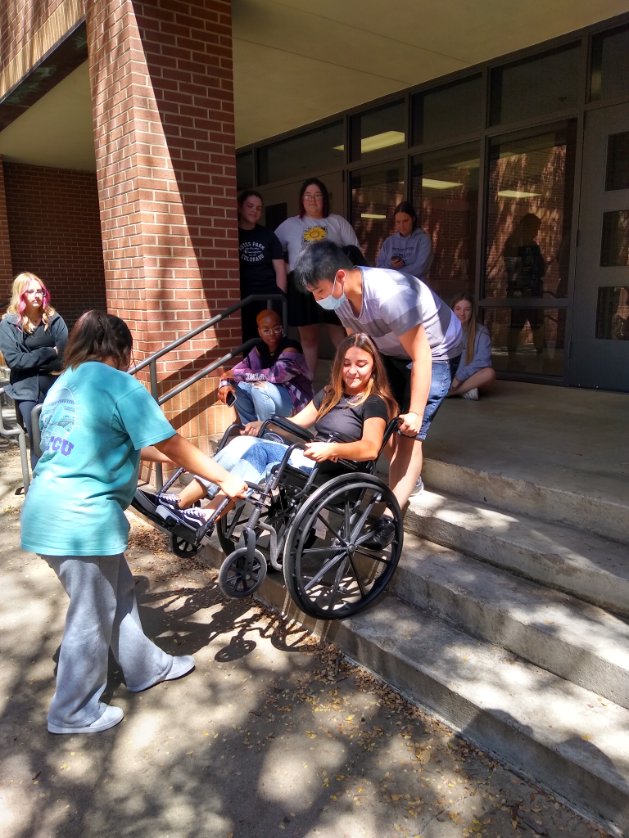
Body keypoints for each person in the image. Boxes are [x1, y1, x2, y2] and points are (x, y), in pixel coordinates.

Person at [20, 311, 248, 735]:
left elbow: (132, 442)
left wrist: (204, 467)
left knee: (119, 591)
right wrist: (224, 478)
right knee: (91, 613)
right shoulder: (121, 384)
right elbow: (169, 441)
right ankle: (72, 710)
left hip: (48, 511)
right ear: (122, 351)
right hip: (80, 520)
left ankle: (146, 667)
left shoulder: (64, 385)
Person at [293, 240, 463, 545]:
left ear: (340, 277)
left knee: (410, 432)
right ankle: (409, 478)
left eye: (319, 291)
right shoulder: (342, 298)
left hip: (436, 351)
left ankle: (391, 515)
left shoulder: (390, 295)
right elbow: (357, 349)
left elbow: (421, 354)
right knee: (383, 417)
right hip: (389, 349)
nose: (317, 300)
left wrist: (416, 413)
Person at [161, 333, 397, 516]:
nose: (352, 371)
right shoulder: (330, 394)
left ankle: (209, 512)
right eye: (346, 363)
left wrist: (333, 449)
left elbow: (370, 448)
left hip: (336, 471)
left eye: (361, 364)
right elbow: (295, 422)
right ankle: (179, 503)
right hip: (310, 459)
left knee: (259, 450)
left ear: (373, 366)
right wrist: (264, 423)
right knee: (244, 442)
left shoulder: (375, 402)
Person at [274, 178, 360, 377]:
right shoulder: (290, 224)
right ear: (301, 200)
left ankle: (346, 378)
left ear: (325, 199)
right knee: (309, 337)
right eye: (308, 195)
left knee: (340, 333)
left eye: (317, 195)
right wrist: (286, 266)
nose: (312, 199)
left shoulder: (337, 222)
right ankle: (309, 382)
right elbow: (273, 250)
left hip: (333, 285)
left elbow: (355, 251)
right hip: (303, 286)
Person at [0, 272, 68, 469]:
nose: (36, 295)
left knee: (61, 435)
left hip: (57, 385)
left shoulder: (53, 319)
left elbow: (64, 354)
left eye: (40, 291)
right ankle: (41, 485)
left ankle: (63, 478)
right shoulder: (9, 323)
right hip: (26, 389)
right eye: (30, 291)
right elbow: (14, 360)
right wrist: (49, 352)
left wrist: (34, 360)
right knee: (38, 439)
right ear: (20, 294)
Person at [217, 308, 312, 423]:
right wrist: (224, 385)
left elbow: (275, 375)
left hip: (297, 403)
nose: (272, 334)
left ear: (282, 328)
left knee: (259, 387)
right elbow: (235, 371)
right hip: (271, 397)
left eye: (276, 329)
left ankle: (266, 433)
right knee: (237, 386)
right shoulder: (260, 349)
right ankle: (250, 428)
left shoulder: (291, 348)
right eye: (266, 330)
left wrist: (239, 374)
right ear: (259, 332)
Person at [237, 190, 287, 341]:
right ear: (240, 207)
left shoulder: (268, 235)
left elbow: (280, 268)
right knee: (248, 339)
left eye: (258, 208)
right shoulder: (232, 233)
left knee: (271, 340)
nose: (254, 211)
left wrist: (280, 295)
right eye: (250, 206)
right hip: (243, 297)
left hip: (268, 297)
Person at [503, 213, 546, 355]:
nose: (536, 232)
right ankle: (512, 358)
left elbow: (540, 268)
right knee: (517, 326)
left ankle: (541, 355)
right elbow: (513, 271)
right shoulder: (515, 244)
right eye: (535, 228)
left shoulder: (531, 245)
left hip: (531, 292)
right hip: (521, 293)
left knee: (537, 325)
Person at [448, 293, 496, 400]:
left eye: (467, 309)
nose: (462, 313)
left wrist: (459, 377)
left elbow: (483, 361)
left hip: (469, 378)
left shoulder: (481, 332)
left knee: (489, 373)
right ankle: (466, 391)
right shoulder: (444, 331)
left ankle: (451, 393)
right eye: (458, 309)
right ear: (452, 310)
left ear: (472, 312)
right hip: (447, 378)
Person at [376, 201, 433, 279]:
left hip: (414, 288)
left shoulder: (423, 239)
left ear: (413, 219)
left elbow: (420, 268)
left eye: (405, 221)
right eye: (398, 222)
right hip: (391, 287)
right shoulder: (389, 242)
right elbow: (379, 268)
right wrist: (390, 265)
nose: (401, 226)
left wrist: (394, 274)